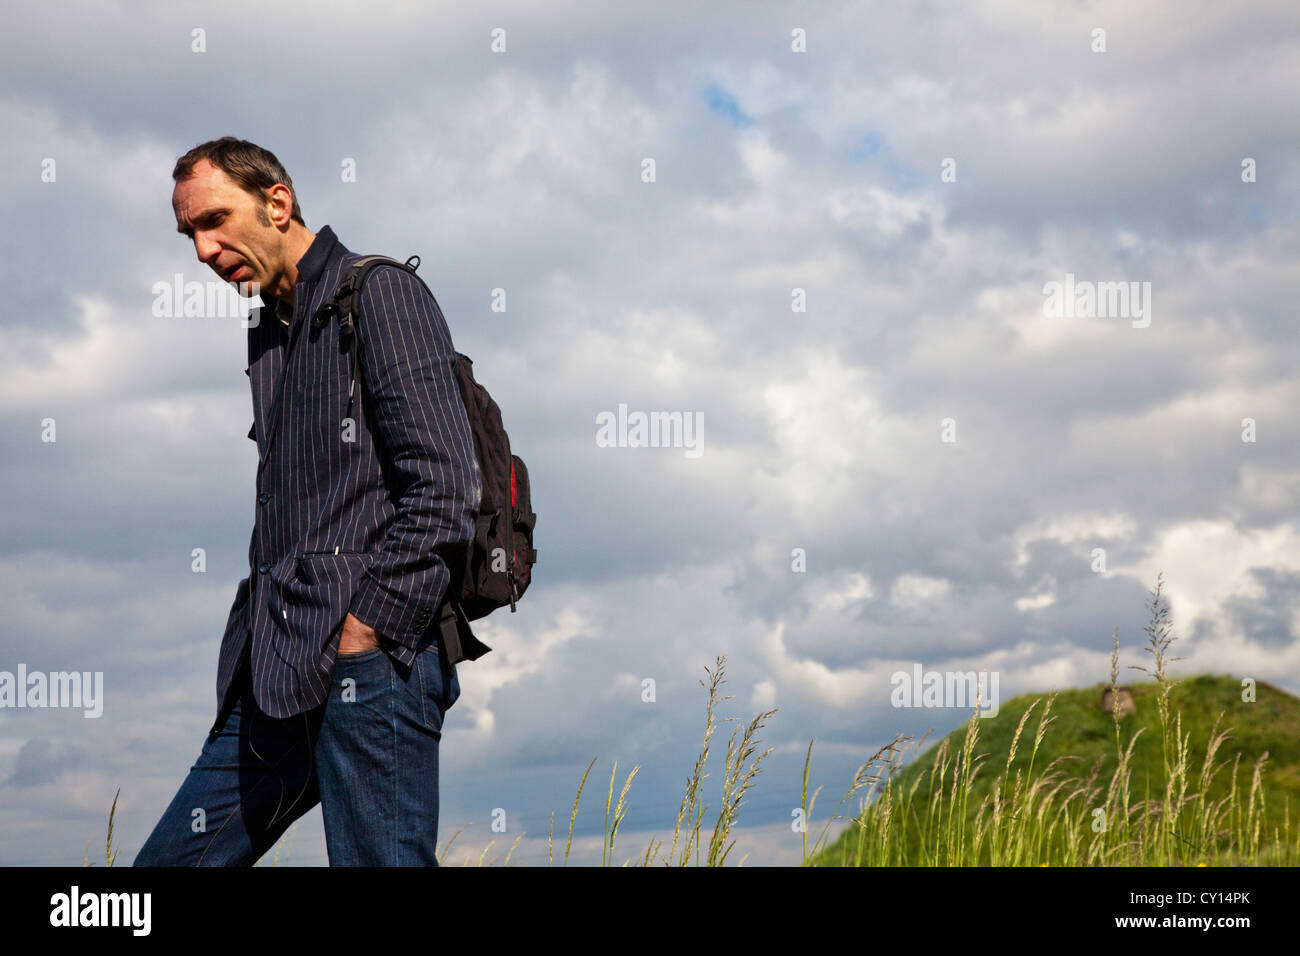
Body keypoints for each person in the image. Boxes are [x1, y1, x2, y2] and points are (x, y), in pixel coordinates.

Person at [134, 137, 480, 866]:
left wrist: (368, 630)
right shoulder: (269, 330)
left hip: (371, 661)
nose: (201, 250)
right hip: (275, 663)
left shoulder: (379, 292)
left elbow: (446, 487)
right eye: (189, 233)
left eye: (214, 221)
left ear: (278, 202)